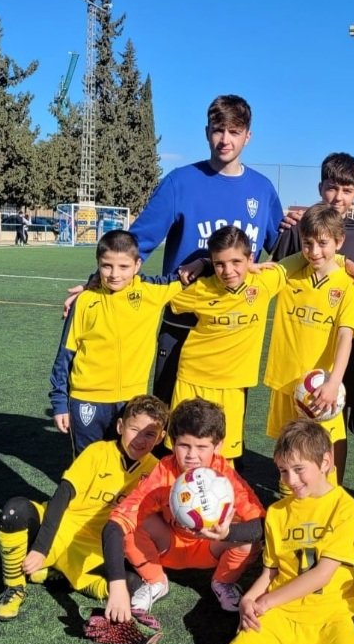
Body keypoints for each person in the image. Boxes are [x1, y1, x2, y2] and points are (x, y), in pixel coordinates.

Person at [65, 95, 283, 405]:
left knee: (223, 425)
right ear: (207, 132)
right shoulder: (180, 182)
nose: (225, 140)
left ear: (248, 136)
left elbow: (282, 251)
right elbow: (136, 243)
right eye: (218, 130)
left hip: (233, 333)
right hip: (182, 322)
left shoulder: (262, 190)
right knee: (166, 418)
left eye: (234, 132)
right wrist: (95, 281)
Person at [218, 419, 354, 644]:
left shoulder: (345, 507)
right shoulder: (278, 512)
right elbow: (270, 571)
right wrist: (249, 599)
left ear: (325, 462)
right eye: (283, 471)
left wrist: (266, 602)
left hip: (329, 617)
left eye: (298, 469)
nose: (290, 480)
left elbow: (322, 574)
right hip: (281, 615)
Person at [0, 395, 167, 621]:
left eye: (149, 434)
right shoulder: (97, 452)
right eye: (134, 429)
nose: (140, 439)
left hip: (95, 548)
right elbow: (61, 497)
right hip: (60, 528)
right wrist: (41, 547)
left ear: (160, 438)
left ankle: (62, 573)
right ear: (120, 427)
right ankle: (14, 587)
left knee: (134, 586)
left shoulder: (155, 471)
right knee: (15, 512)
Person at [104, 398, 265, 618]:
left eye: (202, 447)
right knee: (131, 524)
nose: (192, 455)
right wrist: (117, 587)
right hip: (169, 549)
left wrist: (227, 533)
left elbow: (262, 526)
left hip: (212, 549)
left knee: (248, 541)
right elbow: (114, 525)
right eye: (184, 445)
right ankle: (155, 581)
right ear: (172, 442)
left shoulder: (225, 477)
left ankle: (223, 582)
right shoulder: (163, 472)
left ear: (218, 446)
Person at [169, 225, 298, 463]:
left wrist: (343, 262)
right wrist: (203, 263)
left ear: (250, 258)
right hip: (192, 380)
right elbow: (159, 294)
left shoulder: (264, 282)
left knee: (224, 458)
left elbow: (301, 259)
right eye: (219, 264)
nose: (228, 271)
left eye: (236, 262)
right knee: (184, 455)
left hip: (233, 386)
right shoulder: (200, 288)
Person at [271, 152, 354, 443]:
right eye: (331, 188)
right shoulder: (298, 226)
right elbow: (278, 271)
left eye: (347, 190)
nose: (338, 197)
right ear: (320, 188)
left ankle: (333, 473)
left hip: (342, 338)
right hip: (300, 343)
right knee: (293, 425)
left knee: (334, 412)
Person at [50, 230, 183, 456]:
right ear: (97, 265)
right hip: (86, 399)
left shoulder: (151, 292)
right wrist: (60, 402)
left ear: (137, 265)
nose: (114, 274)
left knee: (128, 462)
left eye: (123, 267)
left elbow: (190, 277)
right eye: (106, 266)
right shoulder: (84, 301)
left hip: (131, 399)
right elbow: (65, 355)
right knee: (88, 463)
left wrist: (203, 262)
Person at [264, 205, 354, 482]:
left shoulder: (348, 285)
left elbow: (345, 337)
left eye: (323, 243)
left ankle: (325, 506)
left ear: (339, 242)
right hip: (286, 383)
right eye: (308, 243)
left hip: (321, 391)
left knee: (322, 461)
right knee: (288, 456)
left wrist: (334, 383)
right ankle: (289, 502)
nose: (314, 251)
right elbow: (260, 275)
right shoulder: (290, 274)